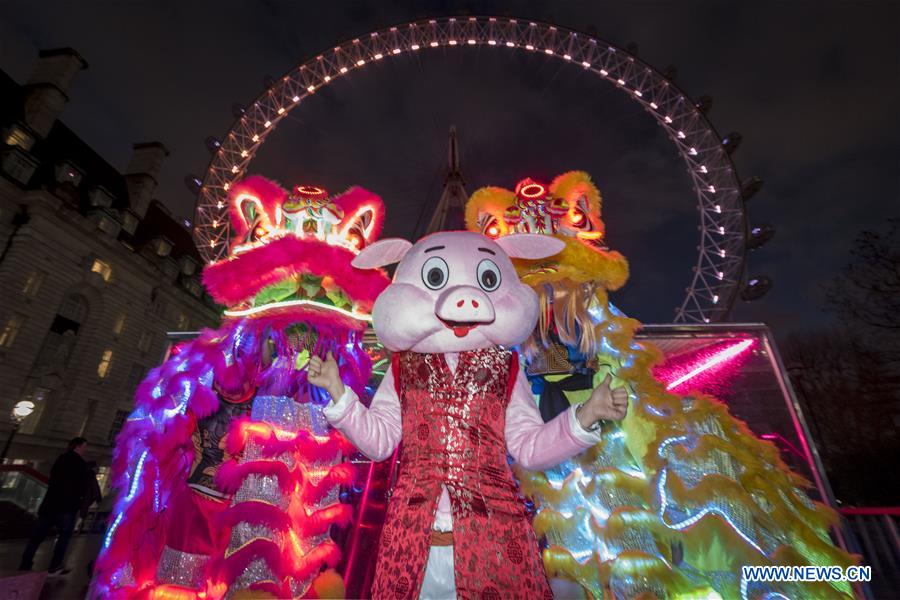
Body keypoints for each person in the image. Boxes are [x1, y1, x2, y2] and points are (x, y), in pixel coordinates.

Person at [19, 437, 91, 574]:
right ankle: (55, 566)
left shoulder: (61, 459)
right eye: (84, 446)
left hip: (50, 504)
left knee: (36, 538)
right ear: (77, 447)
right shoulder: (80, 463)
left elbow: (53, 478)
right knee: (63, 538)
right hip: (66, 507)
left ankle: (25, 563)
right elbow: (81, 486)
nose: (85, 449)